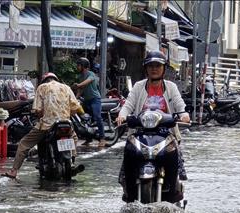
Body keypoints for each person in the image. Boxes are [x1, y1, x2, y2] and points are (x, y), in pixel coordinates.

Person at [116, 51, 190, 200]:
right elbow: (128, 104)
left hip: (165, 132)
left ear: (163, 68)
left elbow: (179, 103)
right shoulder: (138, 86)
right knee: (129, 154)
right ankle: (128, 191)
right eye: (150, 66)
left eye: (157, 66)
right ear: (146, 68)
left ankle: (173, 190)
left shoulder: (171, 87)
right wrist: (122, 115)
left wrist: (184, 114)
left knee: (173, 156)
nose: (154, 69)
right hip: (140, 132)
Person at [2, 73, 81, 179]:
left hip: (48, 124)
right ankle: (71, 161)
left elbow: (37, 110)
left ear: (44, 80)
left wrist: (42, 114)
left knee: (24, 144)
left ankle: (14, 171)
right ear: (56, 79)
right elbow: (76, 108)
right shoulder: (66, 87)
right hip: (66, 124)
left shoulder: (42, 87)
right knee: (74, 138)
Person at [73, 57, 105, 148]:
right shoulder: (80, 77)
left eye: (79, 65)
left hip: (95, 99)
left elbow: (88, 82)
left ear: (83, 66)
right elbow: (80, 90)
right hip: (86, 101)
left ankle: (102, 138)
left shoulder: (91, 74)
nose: (77, 67)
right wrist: (75, 98)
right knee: (84, 119)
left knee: (97, 116)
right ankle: (89, 138)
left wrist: (78, 85)